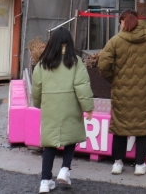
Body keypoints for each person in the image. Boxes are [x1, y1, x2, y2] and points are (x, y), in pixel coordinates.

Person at [99, 9, 146, 176]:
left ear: (123, 22)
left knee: (120, 127)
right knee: (142, 128)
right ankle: (140, 165)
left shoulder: (116, 41)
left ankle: (117, 163)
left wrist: (114, 79)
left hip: (121, 91)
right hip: (144, 92)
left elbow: (103, 65)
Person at [31, 28, 94, 194]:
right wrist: (88, 107)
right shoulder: (75, 61)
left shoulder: (43, 63)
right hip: (70, 105)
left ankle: (45, 181)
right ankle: (65, 169)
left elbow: (36, 88)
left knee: (49, 144)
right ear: (69, 43)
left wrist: (38, 103)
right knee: (71, 138)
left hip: (50, 107)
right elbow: (82, 86)